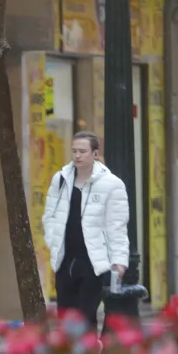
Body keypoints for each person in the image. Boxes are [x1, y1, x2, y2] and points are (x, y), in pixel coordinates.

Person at [42, 131, 130, 328]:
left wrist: (119, 260)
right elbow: (49, 215)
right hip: (65, 260)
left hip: (93, 262)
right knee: (65, 317)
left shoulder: (112, 184)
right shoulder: (61, 179)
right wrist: (52, 240)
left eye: (82, 151)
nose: (77, 156)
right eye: (74, 151)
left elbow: (117, 227)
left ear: (95, 154)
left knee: (86, 317)